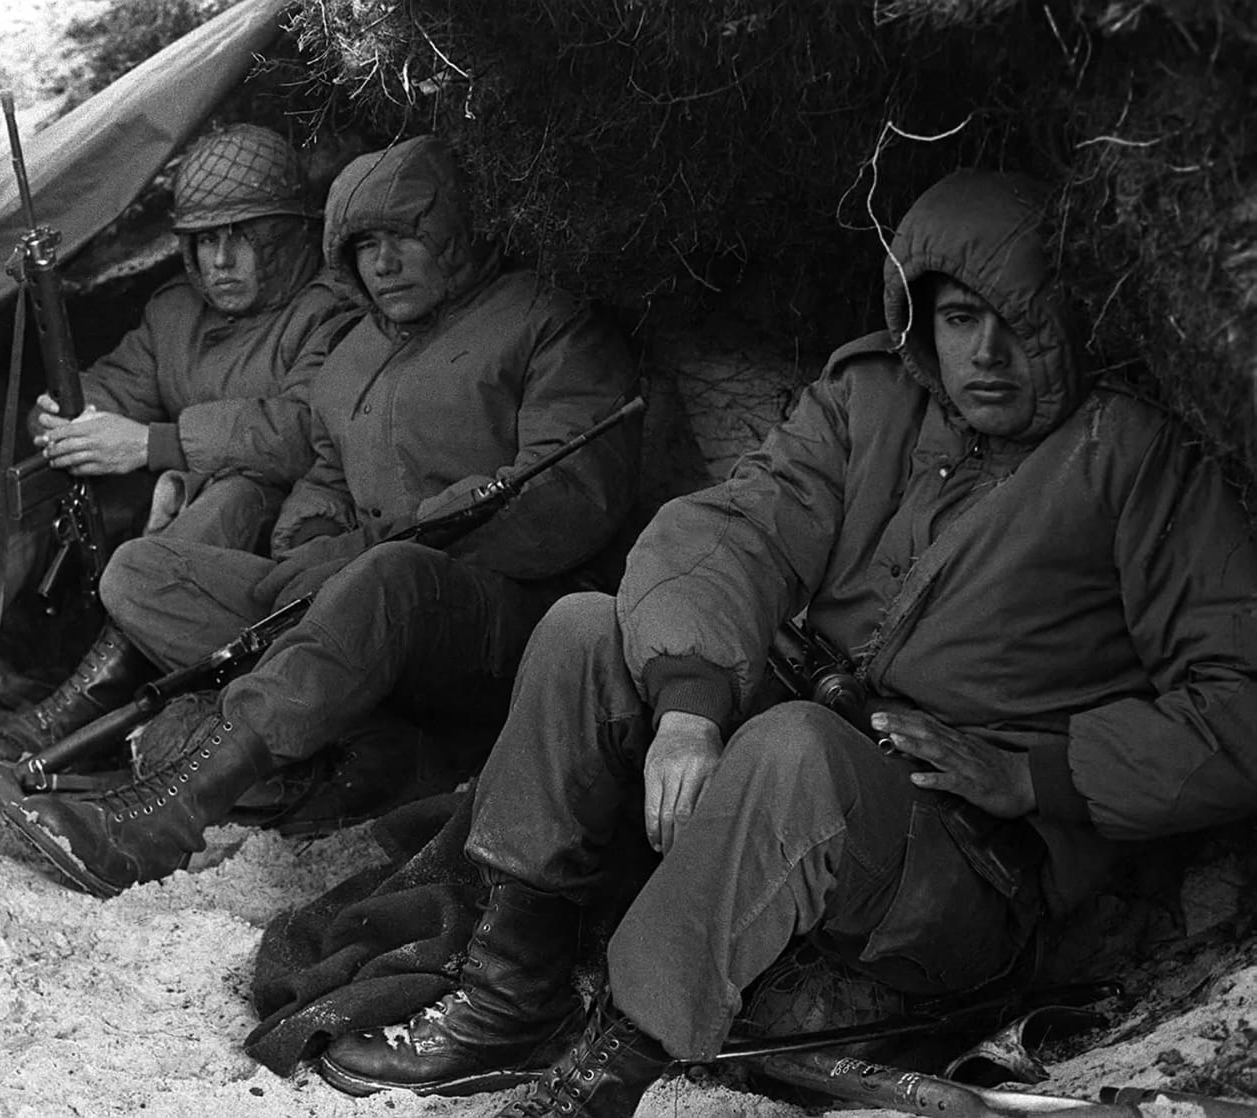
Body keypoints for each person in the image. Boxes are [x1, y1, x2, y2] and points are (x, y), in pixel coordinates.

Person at [313, 169, 1257, 1116]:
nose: (990, 355)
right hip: (811, 752)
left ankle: (612, 1071)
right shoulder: (871, 400)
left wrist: (1035, 775)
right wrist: (689, 704)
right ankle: (511, 991)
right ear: (919, 322)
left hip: (966, 866)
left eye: (1028, 322)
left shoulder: (1139, 461)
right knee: (582, 631)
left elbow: (1239, 702)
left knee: (791, 745)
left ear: (1079, 316)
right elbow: (735, 529)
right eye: (961, 319)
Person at [0, 134, 643, 897]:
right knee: (142, 573)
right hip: (361, 598)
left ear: (456, 235)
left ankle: (159, 819)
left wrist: (370, 551)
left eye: (403, 239)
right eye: (362, 247)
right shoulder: (358, 349)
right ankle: (376, 747)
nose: (382, 264)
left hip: (508, 622)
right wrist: (311, 543)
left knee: (389, 579)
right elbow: (326, 471)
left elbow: (567, 500)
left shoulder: (546, 320)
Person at [0, 124, 350, 744]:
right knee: (50, 474)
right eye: (204, 241)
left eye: (243, 237)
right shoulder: (176, 311)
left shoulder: (328, 312)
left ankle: (85, 709)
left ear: (286, 237)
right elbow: (124, 381)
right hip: (165, 507)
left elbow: (303, 431)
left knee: (238, 493)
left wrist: (152, 446)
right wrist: (74, 414)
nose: (220, 260)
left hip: (259, 542)